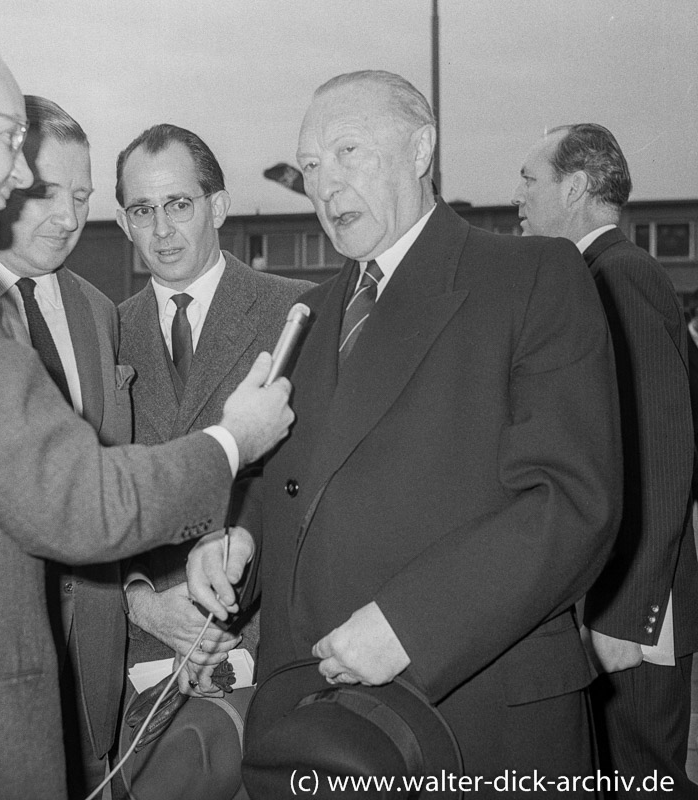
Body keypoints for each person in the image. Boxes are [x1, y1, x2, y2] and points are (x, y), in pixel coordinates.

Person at [188, 70, 622, 794]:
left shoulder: (533, 276)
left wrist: (410, 626)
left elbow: (572, 502)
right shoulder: (310, 313)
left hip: (470, 713)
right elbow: (289, 481)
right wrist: (240, 544)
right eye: (313, 166)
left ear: (421, 150)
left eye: (349, 152)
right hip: (311, 718)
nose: (325, 186)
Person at [0, 11, 292, 799]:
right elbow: (76, 498)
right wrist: (231, 442)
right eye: (8, 139)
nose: (18, 177)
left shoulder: (79, 308)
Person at [115, 123, 312, 798]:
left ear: (219, 207)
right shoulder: (103, 333)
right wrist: (139, 602)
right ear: (123, 222)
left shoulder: (297, 314)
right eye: (143, 211)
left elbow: (315, 489)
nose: (163, 229)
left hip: (274, 655)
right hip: (142, 669)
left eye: (180, 204)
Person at [513, 123, 698, 797]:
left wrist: (628, 616)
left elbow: (666, 456)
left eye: (530, 180)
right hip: (604, 602)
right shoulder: (587, 277)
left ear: (576, 187)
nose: (519, 197)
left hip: (628, 618)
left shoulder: (624, 276)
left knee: (643, 779)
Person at [0, 94, 132, 795]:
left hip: (93, 666)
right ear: (3, 181)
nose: (69, 218)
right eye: (47, 193)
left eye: (84, 195)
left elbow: (111, 476)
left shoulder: (99, 311)